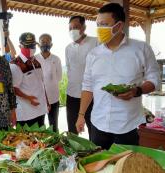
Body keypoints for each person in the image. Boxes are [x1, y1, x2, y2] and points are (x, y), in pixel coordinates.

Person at [76, 3, 160, 150]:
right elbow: (87, 86)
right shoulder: (94, 55)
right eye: (98, 25)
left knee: (124, 170)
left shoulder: (141, 49)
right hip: (98, 123)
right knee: (98, 167)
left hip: (127, 126)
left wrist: (137, 91)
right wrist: (81, 115)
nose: (100, 29)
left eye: (104, 25)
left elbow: (155, 80)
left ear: (119, 26)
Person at [65, 16, 98, 138]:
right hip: (72, 94)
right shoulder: (68, 48)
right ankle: (73, 155)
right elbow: (69, 69)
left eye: (76, 27)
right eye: (70, 28)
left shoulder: (96, 42)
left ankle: (94, 154)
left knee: (93, 129)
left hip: (91, 95)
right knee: (72, 130)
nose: (72, 30)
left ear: (83, 28)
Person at [10, 32, 48, 127]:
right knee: (27, 141)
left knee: (41, 139)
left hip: (41, 110)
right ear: (20, 46)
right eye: (27, 46)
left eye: (32, 45)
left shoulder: (36, 62)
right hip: (26, 114)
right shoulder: (15, 65)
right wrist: (28, 98)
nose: (31, 48)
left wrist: (46, 101)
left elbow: (41, 84)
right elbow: (13, 89)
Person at [35, 33, 62, 132]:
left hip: (53, 98)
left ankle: (54, 145)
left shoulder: (56, 59)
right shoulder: (34, 59)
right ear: (38, 44)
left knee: (53, 125)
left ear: (51, 44)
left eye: (47, 42)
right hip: (39, 99)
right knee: (39, 125)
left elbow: (59, 77)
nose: (45, 44)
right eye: (43, 42)